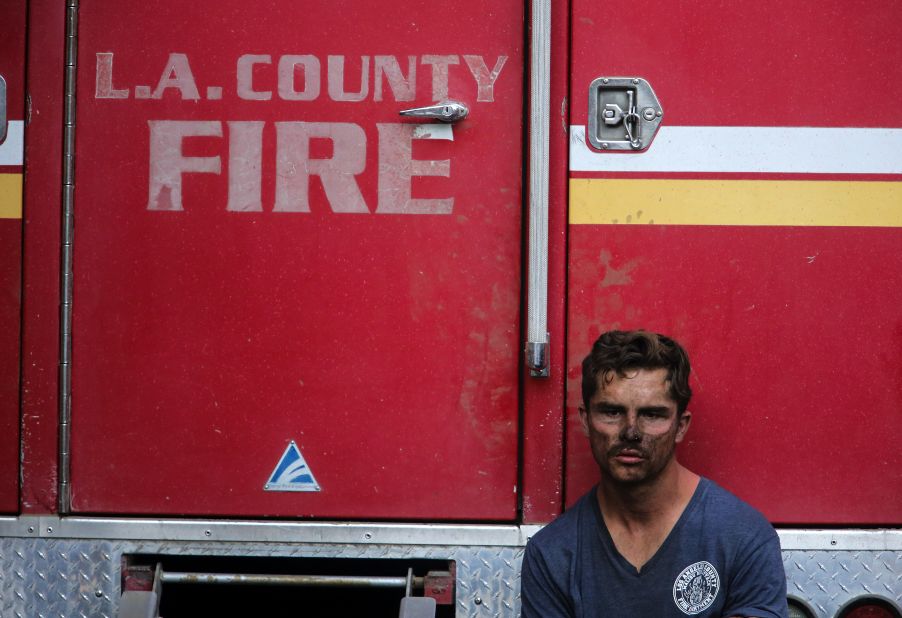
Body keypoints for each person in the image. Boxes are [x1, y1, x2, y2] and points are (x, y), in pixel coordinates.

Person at [521, 330, 788, 618]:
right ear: (586, 421)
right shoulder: (552, 554)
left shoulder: (742, 537)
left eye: (652, 415)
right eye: (612, 412)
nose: (631, 432)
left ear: (681, 426)